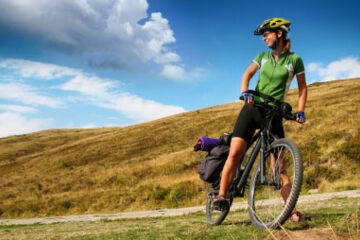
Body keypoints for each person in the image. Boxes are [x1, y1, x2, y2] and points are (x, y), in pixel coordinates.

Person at [214, 18, 309, 222]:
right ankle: (221, 195)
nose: (264, 37)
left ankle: (291, 211)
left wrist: (301, 111)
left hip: (274, 115)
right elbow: (247, 75)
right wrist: (245, 92)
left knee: (279, 168)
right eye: (263, 35)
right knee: (235, 152)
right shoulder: (263, 56)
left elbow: (302, 87)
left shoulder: (295, 60)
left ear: (280, 34)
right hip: (252, 109)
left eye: (268, 33)